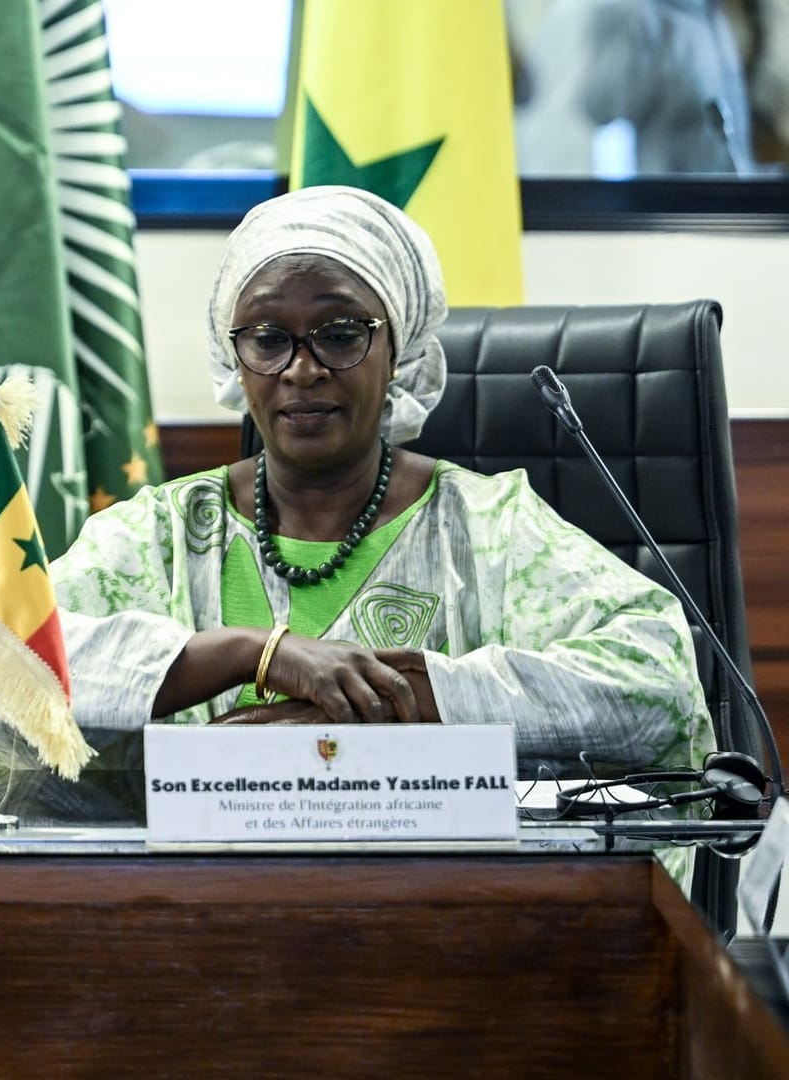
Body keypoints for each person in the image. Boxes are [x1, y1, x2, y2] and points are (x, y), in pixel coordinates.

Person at [51, 185, 709, 775]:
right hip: (187, 901)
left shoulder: (492, 527)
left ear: (400, 350)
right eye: (267, 337)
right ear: (234, 358)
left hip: (446, 905)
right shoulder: (157, 534)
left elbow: (660, 680)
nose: (302, 369)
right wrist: (253, 654)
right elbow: (8, 670)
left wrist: (385, 710)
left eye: (339, 335)